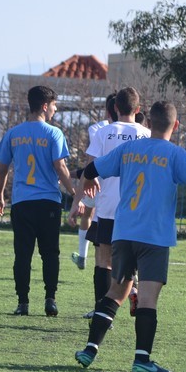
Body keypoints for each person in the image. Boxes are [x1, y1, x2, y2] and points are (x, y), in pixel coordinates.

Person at [73, 101, 186, 372]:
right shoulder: (174, 154)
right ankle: (142, 360)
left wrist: (88, 181)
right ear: (175, 125)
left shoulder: (129, 149)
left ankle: (89, 349)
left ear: (149, 123)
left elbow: (92, 169)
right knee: (147, 299)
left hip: (123, 233)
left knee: (116, 292)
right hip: (154, 237)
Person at [0, 85, 76, 316]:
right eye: (54, 105)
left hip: (22, 203)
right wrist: (73, 192)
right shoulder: (53, 133)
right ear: (45, 106)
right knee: (50, 253)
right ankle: (50, 299)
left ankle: (23, 303)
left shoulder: (13, 133)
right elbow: (60, 166)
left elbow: (2, 169)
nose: (55, 110)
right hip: (48, 202)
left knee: (23, 254)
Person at [72, 88, 150, 315]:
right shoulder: (147, 135)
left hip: (107, 206)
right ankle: (134, 291)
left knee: (103, 259)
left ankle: (101, 310)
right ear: (138, 109)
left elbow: (90, 169)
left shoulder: (104, 133)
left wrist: (78, 199)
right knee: (130, 259)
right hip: (136, 208)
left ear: (115, 108)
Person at [71, 93, 117, 271]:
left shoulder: (97, 129)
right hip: (119, 187)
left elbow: (92, 161)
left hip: (97, 181)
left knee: (89, 217)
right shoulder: (140, 131)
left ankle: (83, 256)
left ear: (107, 111)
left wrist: (77, 196)